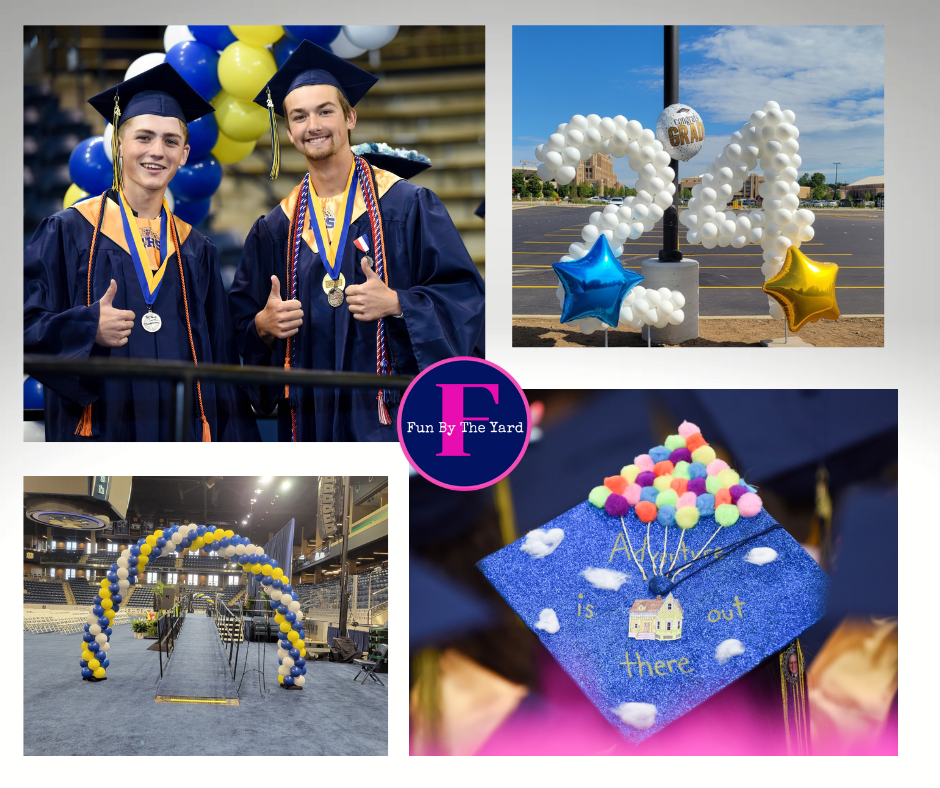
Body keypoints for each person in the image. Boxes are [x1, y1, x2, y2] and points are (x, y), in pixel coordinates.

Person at [229, 41, 485, 442]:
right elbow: (240, 325)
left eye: (325, 111)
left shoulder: (407, 204)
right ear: (290, 133)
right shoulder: (275, 228)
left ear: (349, 117)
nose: (313, 125)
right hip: (309, 416)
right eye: (299, 116)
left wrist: (399, 303)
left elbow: (465, 297)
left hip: (389, 411)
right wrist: (263, 326)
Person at [24, 63, 259, 442]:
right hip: (101, 435)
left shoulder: (196, 249)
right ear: (119, 145)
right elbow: (24, 329)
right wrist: (87, 327)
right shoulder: (69, 230)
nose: (157, 151)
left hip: (180, 437)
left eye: (170, 141)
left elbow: (220, 362)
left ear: (185, 154)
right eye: (144, 137)